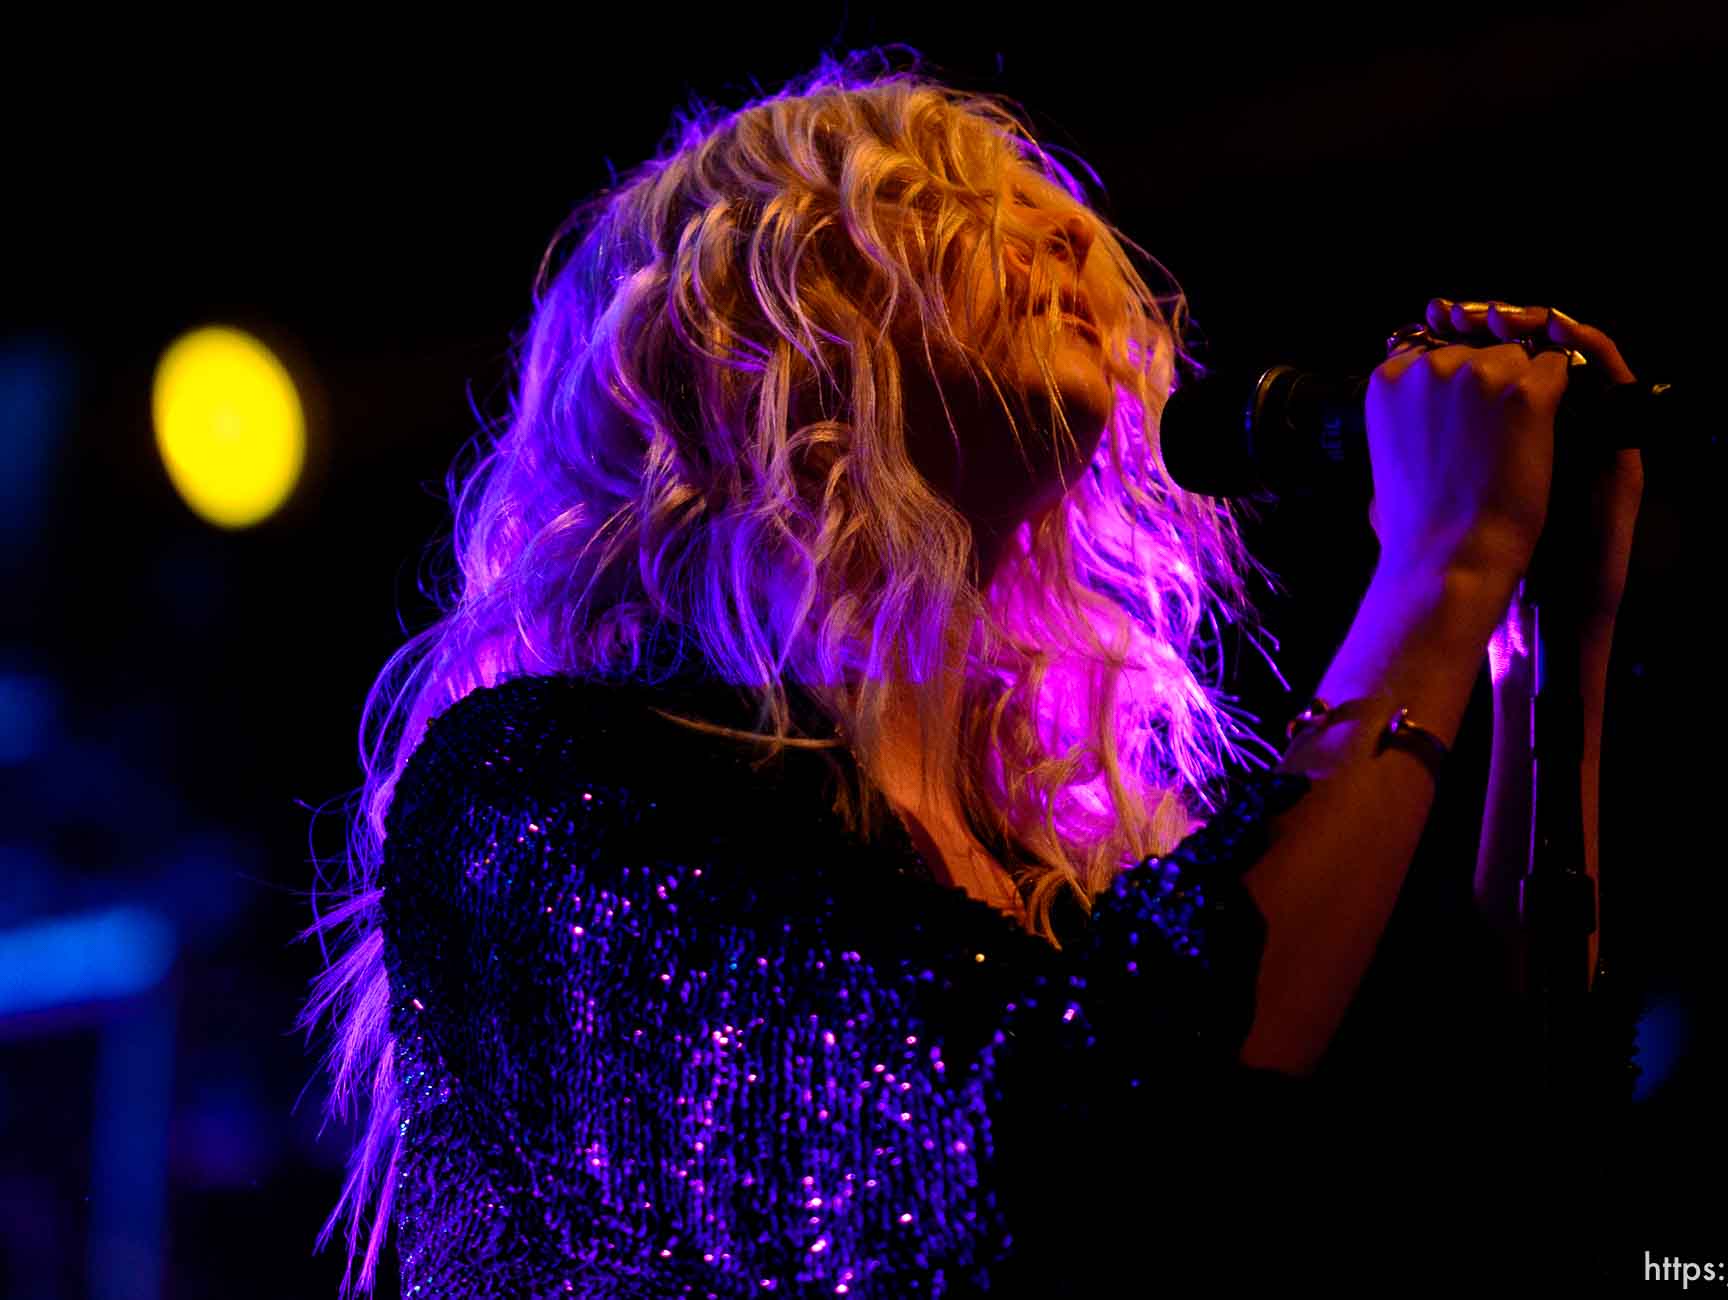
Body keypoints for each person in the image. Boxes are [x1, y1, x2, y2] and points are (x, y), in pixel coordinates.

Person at [300, 48, 1644, 1298]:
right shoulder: (543, 794)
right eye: (932, 207)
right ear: (746, 347)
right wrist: (1436, 572)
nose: (1070, 233)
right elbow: (1074, 1161)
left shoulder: (1087, 882)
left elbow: (1501, 1177)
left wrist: (1545, 651)